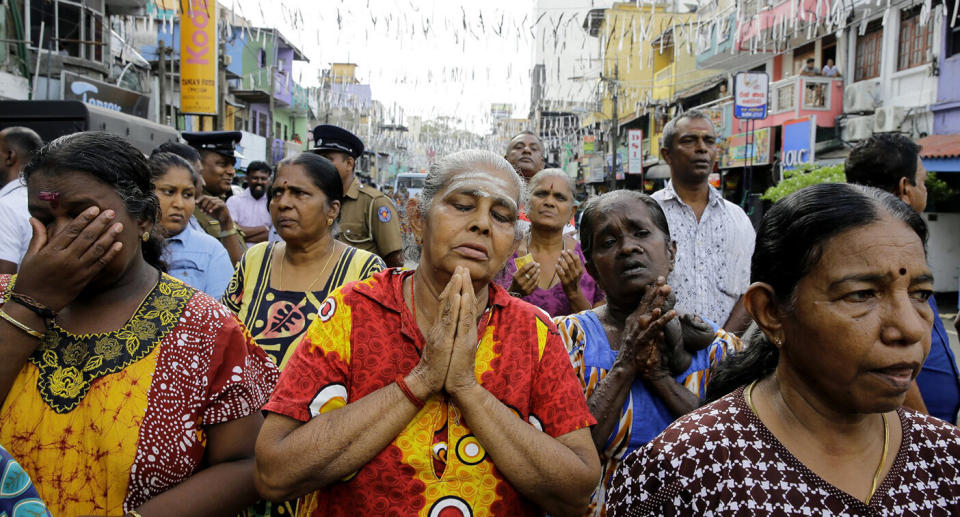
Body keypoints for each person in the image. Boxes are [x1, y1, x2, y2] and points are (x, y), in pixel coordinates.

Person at [254, 150, 601, 516]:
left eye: (500, 216)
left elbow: (577, 491)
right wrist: (422, 379)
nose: (482, 224)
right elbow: (274, 474)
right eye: (463, 205)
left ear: (514, 245)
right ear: (418, 220)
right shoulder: (353, 310)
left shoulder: (534, 332)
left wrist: (467, 389)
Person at [606, 183, 960, 515]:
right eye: (861, 295)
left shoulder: (947, 459)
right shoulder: (681, 470)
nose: (911, 328)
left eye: (920, 294)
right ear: (771, 311)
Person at [0, 131, 278, 515]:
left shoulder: (204, 327)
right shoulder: (6, 300)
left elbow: (246, 464)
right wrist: (29, 304)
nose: (63, 235)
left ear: (144, 219)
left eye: (83, 216)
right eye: (45, 217)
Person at [554, 190, 744, 516]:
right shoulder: (562, 340)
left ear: (671, 252)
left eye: (641, 233)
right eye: (609, 241)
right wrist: (626, 362)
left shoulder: (720, 349)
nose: (628, 247)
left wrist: (659, 377)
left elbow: (733, 454)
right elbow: (565, 464)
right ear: (592, 269)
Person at [223, 152, 385, 371]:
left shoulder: (364, 270)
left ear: (333, 209)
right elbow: (223, 337)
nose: (283, 203)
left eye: (299, 193)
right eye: (277, 193)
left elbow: (373, 363)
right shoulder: (255, 258)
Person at [845, 133, 959, 424]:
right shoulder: (883, 254)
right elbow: (889, 354)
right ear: (905, 188)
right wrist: (926, 437)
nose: (925, 190)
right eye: (922, 181)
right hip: (916, 437)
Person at [653, 110, 755, 334]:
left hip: (728, 357)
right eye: (689, 140)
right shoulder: (648, 213)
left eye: (709, 141)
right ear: (667, 154)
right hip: (662, 354)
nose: (701, 148)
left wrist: (723, 345)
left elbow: (749, 292)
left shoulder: (737, 219)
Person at [495, 168, 604, 317]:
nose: (549, 202)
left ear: (572, 212)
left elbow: (598, 330)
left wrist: (574, 293)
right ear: (526, 203)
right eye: (541, 194)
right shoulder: (503, 253)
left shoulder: (587, 258)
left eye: (559, 197)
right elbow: (485, 321)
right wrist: (514, 294)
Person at [309, 125, 404, 268]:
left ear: (349, 163)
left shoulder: (374, 203)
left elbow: (394, 261)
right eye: (317, 160)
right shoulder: (315, 201)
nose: (320, 166)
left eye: (328, 159)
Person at [149, 152, 232, 298]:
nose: (179, 204)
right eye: (169, 192)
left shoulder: (210, 251)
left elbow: (222, 315)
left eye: (188, 195)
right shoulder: (128, 243)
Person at [182, 130, 247, 264]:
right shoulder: (186, 209)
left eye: (232, 165)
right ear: (198, 165)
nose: (231, 171)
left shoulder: (216, 205)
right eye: (223, 164)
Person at [0, 127, 43, 274]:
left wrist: (3, 297)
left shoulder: (5, 207)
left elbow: (3, 277)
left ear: (9, 156)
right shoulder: (45, 198)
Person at [227, 161, 273, 247]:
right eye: (255, 178)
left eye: (263, 179)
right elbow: (230, 231)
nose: (259, 182)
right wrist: (264, 228)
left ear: (269, 180)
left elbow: (275, 235)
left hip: (268, 256)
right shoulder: (234, 201)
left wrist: (242, 236)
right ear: (247, 178)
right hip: (240, 255)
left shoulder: (273, 203)